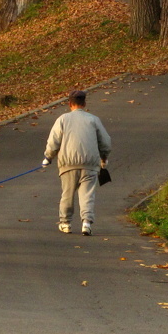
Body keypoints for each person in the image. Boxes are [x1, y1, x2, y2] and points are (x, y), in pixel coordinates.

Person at [42, 90, 111, 236]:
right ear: (84, 104)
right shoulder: (93, 120)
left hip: (68, 163)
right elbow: (105, 142)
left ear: (69, 104)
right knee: (87, 194)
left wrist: (48, 157)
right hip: (90, 164)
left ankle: (65, 223)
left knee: (67, 193)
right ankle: (86, 223)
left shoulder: (63, 119)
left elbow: (54, 141)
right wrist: (103, 157)